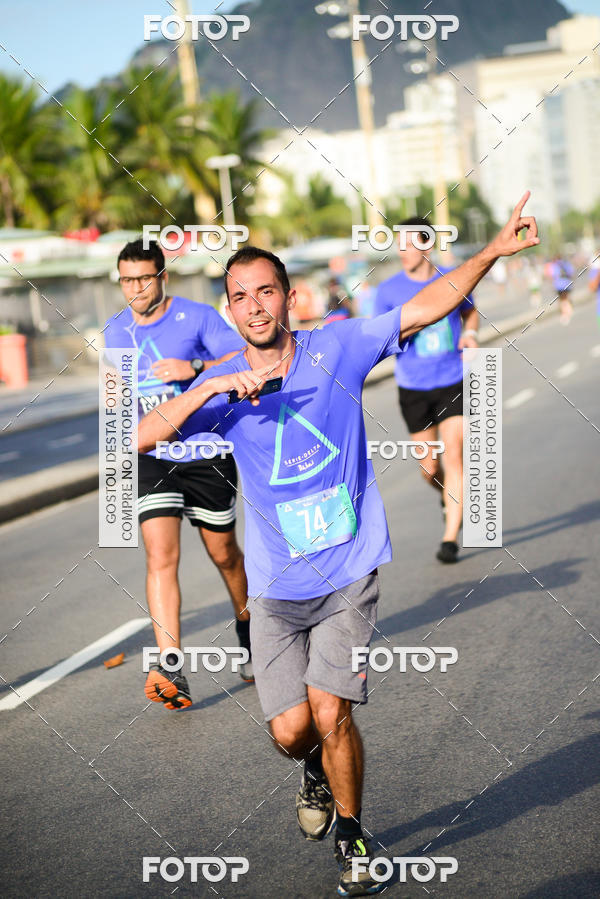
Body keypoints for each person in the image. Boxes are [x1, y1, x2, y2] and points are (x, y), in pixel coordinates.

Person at [138, 194, 539, 895]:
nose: (257, 305)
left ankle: (353, 835)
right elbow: (138, 438)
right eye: (242, 297)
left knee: (332, 710)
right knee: (292, 731)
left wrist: (492, 251)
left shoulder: (338, 345)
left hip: (350, 570)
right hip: (275, 588)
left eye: (267, 290)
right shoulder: (220, 385)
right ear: (230, 311)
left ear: (290, 298)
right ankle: (314, 769)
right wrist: (212, 387)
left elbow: (427, 305)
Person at [103, 238, 251, 711]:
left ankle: (248, 627)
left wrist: (194, 366)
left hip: (206, 452)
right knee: (160, 554)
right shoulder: (113, 332)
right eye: (127, 280)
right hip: (152, 457)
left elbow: (243, 356)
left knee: (224, 554)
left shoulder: (198, 317)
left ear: (162, 277)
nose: (135, 288)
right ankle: (171, 665)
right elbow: (116, 398)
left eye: (144, 278)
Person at [374, 217, 479, 564]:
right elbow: (377, 335)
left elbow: (470, 310)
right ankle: (446, 495)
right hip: (413, 387)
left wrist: (470, 333)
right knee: (430, 469)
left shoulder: (451, 278)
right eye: (399, 244)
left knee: (454, 458)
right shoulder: (387, 291)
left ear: (427, 244)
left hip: (452, 379)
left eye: (409, 243)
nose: (402, 251)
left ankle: (450, 539)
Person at [549, 254, 574, 325]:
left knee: (562, 300)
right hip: (567, 284)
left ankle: (564, 313)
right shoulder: (565, 263)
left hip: (559, 285)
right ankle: (569, 311)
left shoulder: (554, 265)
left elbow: (552, 275)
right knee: (566, 298)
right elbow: (571, 272)